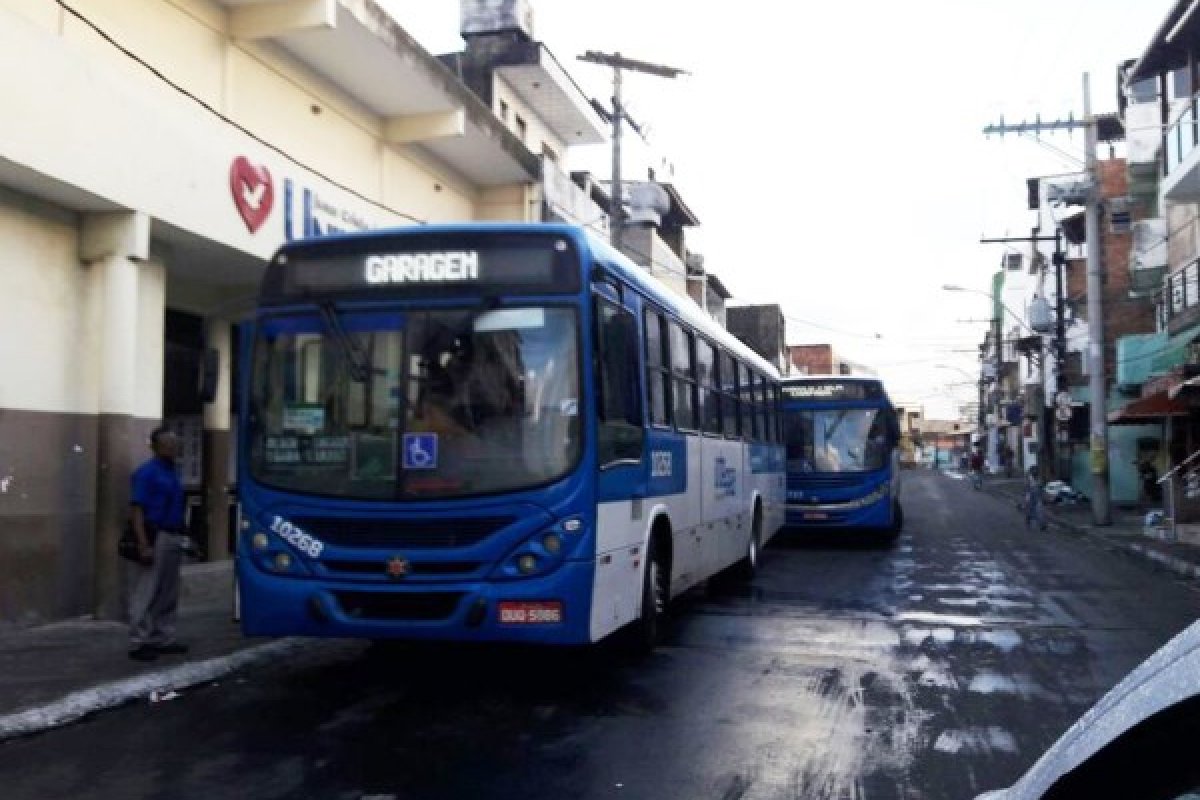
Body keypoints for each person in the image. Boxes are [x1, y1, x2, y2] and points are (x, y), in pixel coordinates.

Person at [127, 427, 190, 662]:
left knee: (168, 591)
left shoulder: (173, 472)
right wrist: (143, 544)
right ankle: (138, 641)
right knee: (147, 589)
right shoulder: (146, 473)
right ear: (155, 446)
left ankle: (162, 637)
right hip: (155, 533)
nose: (174, 448)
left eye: (175, 443)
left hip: (173, 533)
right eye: (168, 444)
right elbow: (137, 511)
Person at [1024, 466, 1047, 531]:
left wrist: (1043, 496)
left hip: (1037, 496)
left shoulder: (1039, 479)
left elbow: (1042, 488)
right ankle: (1028, 519)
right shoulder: (1029, 479)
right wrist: (1027, 497)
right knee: (1030, 509)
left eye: (1036, 471)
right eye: (1034, 471)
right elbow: (1027, 489)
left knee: (1039, 510)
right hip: (1031, 496)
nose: (1035, 473)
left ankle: (1042, 524)